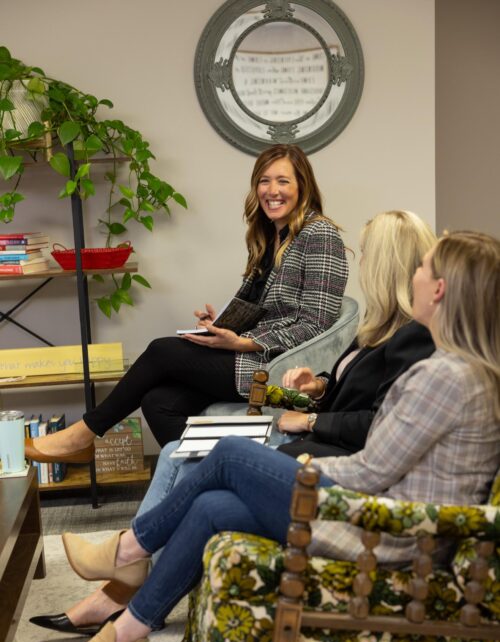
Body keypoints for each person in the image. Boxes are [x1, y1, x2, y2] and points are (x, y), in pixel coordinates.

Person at [28, 230, 500, 642]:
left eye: (424, 267)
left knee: (233, 455)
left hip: (389, 531)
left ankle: (126, 553)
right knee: (213, 504)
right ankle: (125, 639)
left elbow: (373, 472)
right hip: (387, 518)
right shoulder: (460, 368)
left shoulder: (444, 376)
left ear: (437, 289)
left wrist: (301, 464)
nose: (415, 273)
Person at [25, 144, 347, 460]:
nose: (271, 190)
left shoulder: (319, 234)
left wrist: (244, 343)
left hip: (276, 367)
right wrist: (220, 323)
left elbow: (315, 323)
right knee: (158, 401)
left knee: (161, 351)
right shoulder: (269, 237)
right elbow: (264, 308)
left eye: (283, 181)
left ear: (302, 186)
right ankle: (214, 476)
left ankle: (85, 433)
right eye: (264, 180)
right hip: (250, 353)